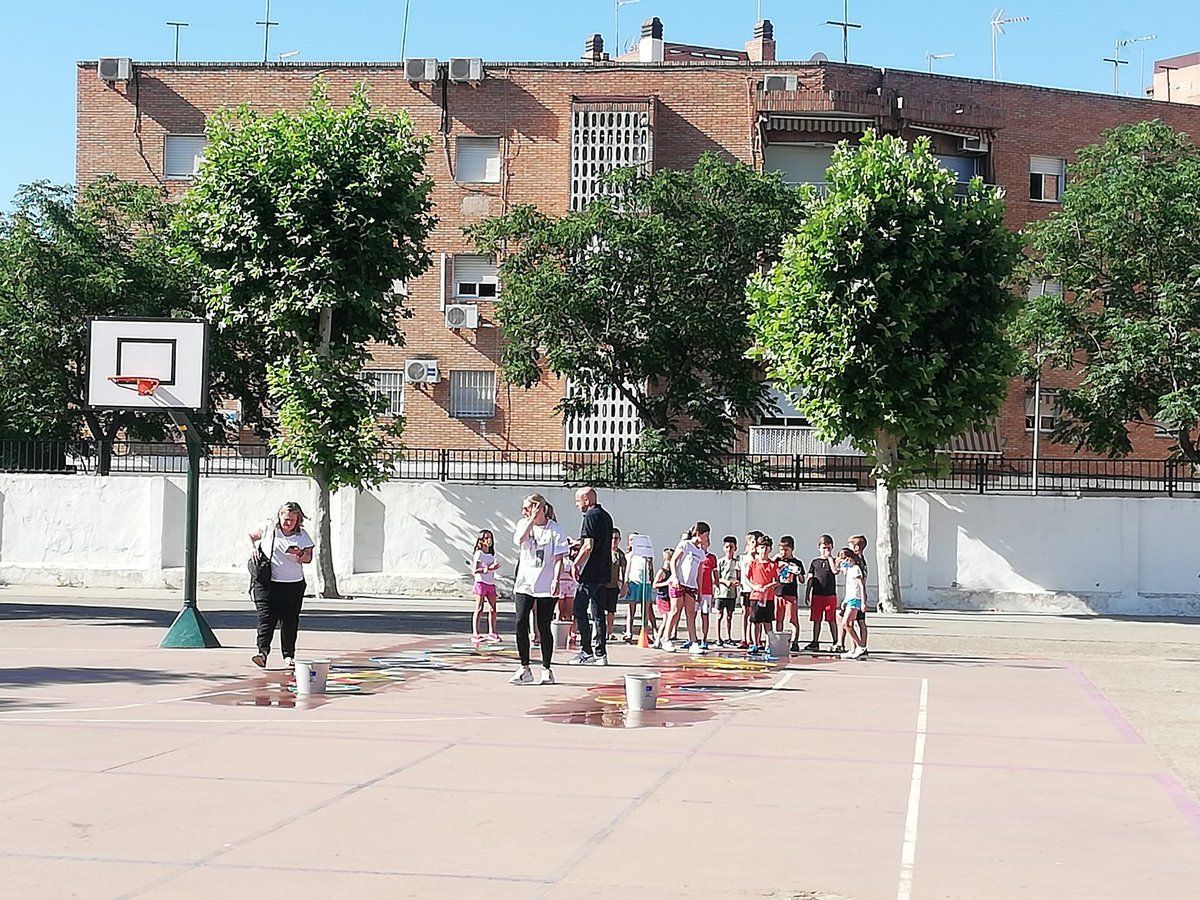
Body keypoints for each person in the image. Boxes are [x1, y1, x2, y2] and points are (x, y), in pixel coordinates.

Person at [246, 501, 315, 670]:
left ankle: (289, 655)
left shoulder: (302, 536)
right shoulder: (269, 528)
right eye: (285, 519)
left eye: (292, 520)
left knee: (289, 621)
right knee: (266, 618)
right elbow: (249, 536)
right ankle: (262, 653)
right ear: (279, 516)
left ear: (298, 520)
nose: (288, 523)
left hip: (293, 584)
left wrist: (299, 552)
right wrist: (252, 548)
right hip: (267, 583)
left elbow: (308, 558)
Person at [511, 493, 569, 684]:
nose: (523, 511)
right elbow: (519, 539)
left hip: (545, 583)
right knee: (520, 622)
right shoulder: (523, 524)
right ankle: (524, 667)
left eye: (527, 507)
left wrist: (556, 579)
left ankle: (546, 668)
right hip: (525, 582)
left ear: (539, 508)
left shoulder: (555, 529)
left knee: (543, 625)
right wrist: (530, 520)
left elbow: (559, 558)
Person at [570, 486, 613, 665]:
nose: (577, 505)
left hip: (591, 571)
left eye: (578, 501)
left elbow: (589, 545)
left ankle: (586, 650)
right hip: (604, 570)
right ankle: (601, 653)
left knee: (578, 609)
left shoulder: (590, 516)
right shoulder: (605, 516)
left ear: (586, 500)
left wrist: (576, 563)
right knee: (598, 613)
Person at [662, 522, 709, 652]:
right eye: (706, 535)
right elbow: (674, 561)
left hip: (691, 586)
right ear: (699, 534)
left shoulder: (701, 553)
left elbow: (700, 573)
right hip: (679, 583)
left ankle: (694, 642)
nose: (707, 538)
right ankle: (666, 638)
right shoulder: (685, 545)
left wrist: (699, 589)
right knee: (675, 610)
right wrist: (675, 577)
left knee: (691, 613)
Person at [803, 533, 840, 651]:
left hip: (830, 595)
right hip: (817, 594)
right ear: (819, 547)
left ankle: (836, 641)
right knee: (816, 619)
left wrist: (830, 558)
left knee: (831, 619)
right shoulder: (815, 562)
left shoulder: (833, 561)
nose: (826, 550)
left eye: (828, 548)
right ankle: (815, 641)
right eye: (824, 548)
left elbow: (835, 571)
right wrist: (807, 592)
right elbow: (810, 578)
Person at [747, 534, 779, 653]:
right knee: (755, 621)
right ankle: (755, 643)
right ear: (757, 548)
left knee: (768, 621)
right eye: (761, 547)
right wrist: (755, 587)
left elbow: (777, 581)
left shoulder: (772, 565)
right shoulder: (753, 563)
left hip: (768, 598)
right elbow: (747, 579)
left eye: (766, 547)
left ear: (770, 549)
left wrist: (767, 587)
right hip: (755, 596)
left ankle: (769, 644)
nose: (764, 550)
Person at [775, 536, 806, 652]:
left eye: (786, 550)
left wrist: (798, 573)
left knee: (792, 619)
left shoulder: (797, 562)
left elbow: (803, 580)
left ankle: (795, 641)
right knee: (778, 618)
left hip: (791, 593)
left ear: (792, 549)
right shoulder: (777, 561)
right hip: (778, 593)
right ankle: (779, 641)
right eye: (781, 549)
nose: (783, 552)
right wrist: (776, 558)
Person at [471, 529, 501, 643]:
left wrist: (494, 568)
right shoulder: (479, 553)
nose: (488, 540)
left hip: (490, 583)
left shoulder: (491, 554)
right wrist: (488, 569)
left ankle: (492, 632)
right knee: (479, 608)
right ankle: (475, 633)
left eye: (490, 538)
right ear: (481, 540)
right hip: (481, 583)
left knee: (493, 609)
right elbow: (475, 570)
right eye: (486, 538)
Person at [837, 547, 867, 659]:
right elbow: (850, 587)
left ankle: (860, 646)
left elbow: (861, 585)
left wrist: (863, 602)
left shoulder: (855, 569)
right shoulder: (849, 571)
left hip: (855, 599)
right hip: (850, 599)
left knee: (845, 623)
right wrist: (845, 600)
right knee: (847, 624)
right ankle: (854, 648)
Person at [623, 533, 654, 642]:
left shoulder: (645, 556)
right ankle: (628, 632)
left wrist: (651, 581)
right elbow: (626, 570)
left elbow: (650, 570)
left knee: (645, 611)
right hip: (633, 582)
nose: (632, 542)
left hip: (645, 583)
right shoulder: (629, 555)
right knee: (631, 610)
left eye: (634, 539)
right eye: (630, 539)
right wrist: (625, 584)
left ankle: (644, 632)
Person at [738, 530, 761, 649]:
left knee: (757, 615)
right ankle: (744, 638)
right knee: (745, 613)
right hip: (746, 589)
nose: (755, 545)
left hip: (757, 590)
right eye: (753, 542)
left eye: (757, 543)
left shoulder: (760, 559)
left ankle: (756, 639)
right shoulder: (743, 558)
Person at [715, 536, 740, 647]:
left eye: (731, 547)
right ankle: (718, 637)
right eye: (727, 547)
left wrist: (737, 582)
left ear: (735, 548)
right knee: (719, 614)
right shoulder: (720, 562)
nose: (729, 549)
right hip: (721, 593)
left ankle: (728, 637)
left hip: (732, 593)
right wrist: (725, 582)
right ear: (723, 548)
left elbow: (739, 576)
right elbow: (716, 578)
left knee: (729, 615)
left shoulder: (737, 562)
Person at [604, 528, 628, 644]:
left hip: (613, 586)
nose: (614, 541)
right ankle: (599, 633)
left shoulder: (620, 554)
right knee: (598, 611)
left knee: (611, 611)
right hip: (602, 585)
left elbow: (624, 570)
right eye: (612, 538)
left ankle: (609, 633)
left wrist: (624, 585)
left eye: (617, 539)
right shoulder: (603, 552)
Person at [848, 533, 870, 656]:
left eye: (850, 545)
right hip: (855, 594)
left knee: (855, 622)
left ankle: (860, 646)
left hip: (856, 595)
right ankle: (856, 647)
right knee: (856, 621)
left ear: (856, 547)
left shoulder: (858, 561)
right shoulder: (860, 560)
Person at [696, 546, 718, 650]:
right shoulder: (694, 555)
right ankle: (692, 638)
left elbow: (715, 573)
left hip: (706, 591)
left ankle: (704, 639)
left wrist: (716, 586)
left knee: (705, 615)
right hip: (694, 590)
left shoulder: (711, 558)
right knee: (692, 615)